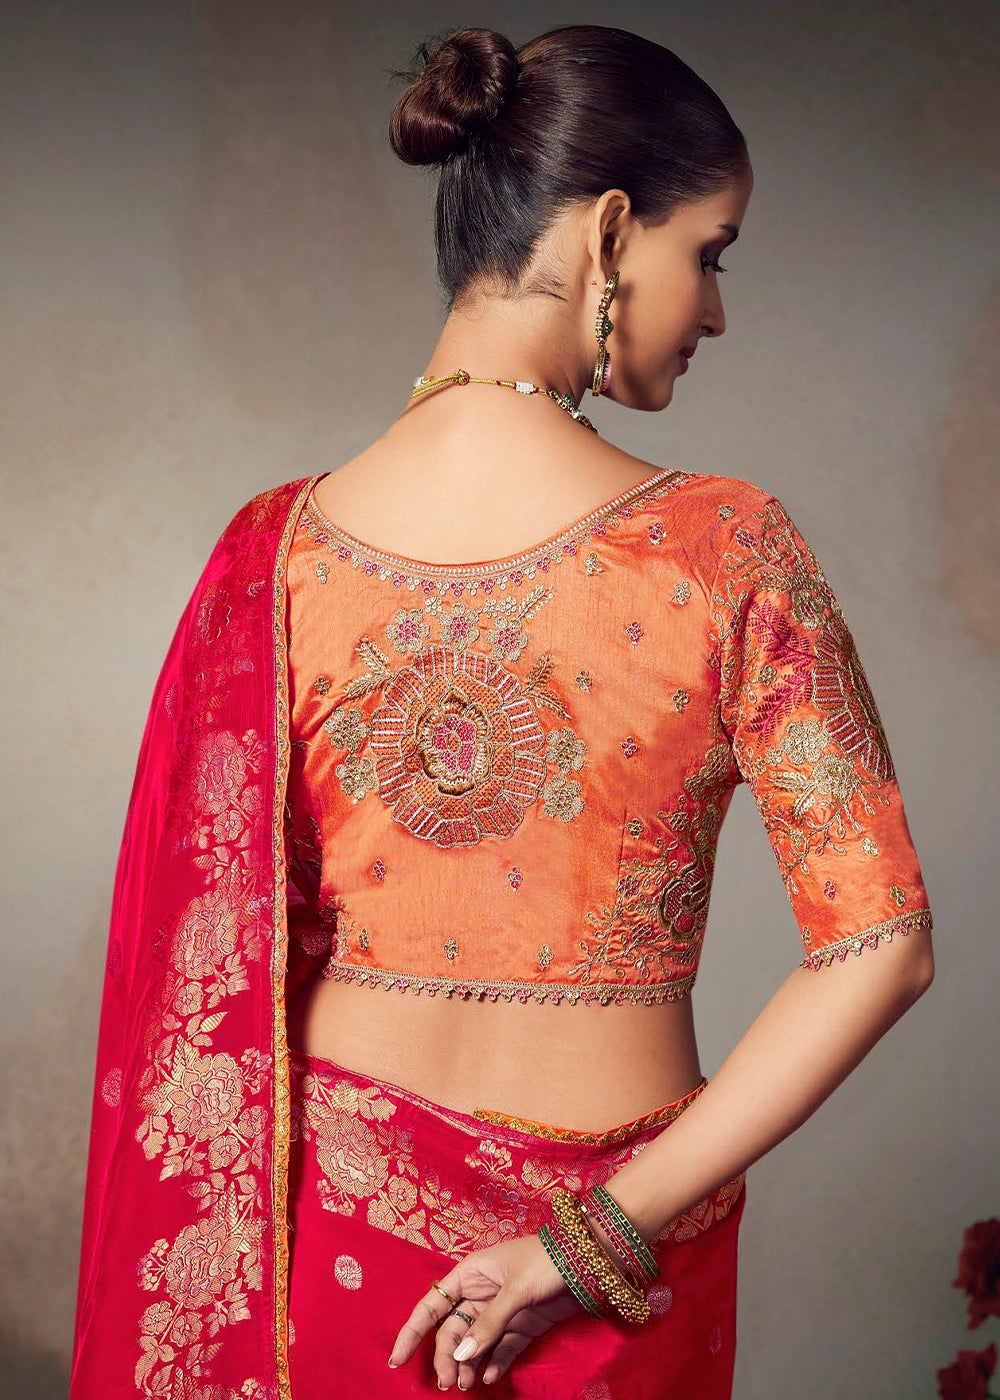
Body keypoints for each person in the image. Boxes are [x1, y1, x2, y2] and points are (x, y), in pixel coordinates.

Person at [70, 23, 935, 1400]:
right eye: (710, 254)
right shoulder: (726, 549)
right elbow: (881, 949)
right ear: (608, 233)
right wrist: (595, 1240)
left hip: (329, 1244)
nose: (716, 311)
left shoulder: (274, 555)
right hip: (616, 1264)